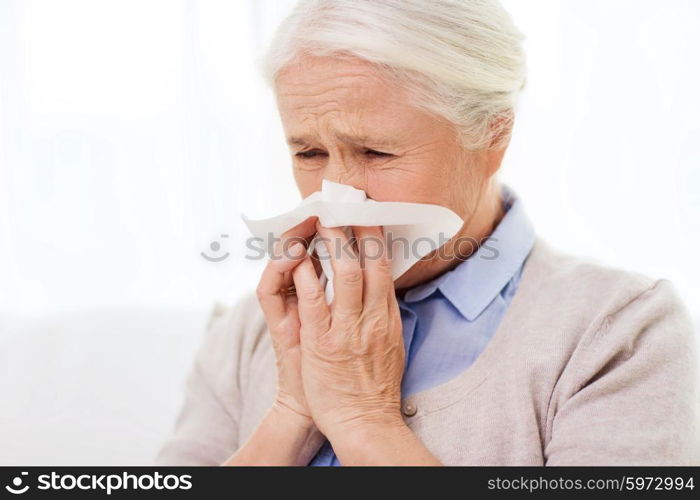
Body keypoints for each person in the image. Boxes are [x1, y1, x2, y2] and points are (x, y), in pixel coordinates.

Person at [154, 0, 698, 465]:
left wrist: (364, 422)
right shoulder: (252, 331)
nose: (339, 196)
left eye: (376, 152)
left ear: (492, 133)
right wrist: (291, 412)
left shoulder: (616, 331)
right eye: (310, 152)